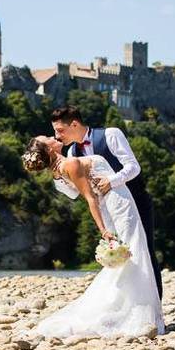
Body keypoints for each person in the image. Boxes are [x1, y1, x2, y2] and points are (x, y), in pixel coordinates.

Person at [22, 136, 164, 338]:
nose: (53, 136)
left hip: (112, 201)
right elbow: (89, 198)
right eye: (47, 138)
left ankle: (136, 310)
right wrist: (103, 230)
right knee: (136, 250)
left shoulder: (58, 172)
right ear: (49, 150)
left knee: (133, 253)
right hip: (117, 202)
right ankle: (137, 315)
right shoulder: (69, 163)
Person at [50, 105, 162, 299]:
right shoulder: (72, 154)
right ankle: (128, 305)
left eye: (60, 130)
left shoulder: (111, 134)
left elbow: (134, 167)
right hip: (108, 213)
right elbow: (74, 193)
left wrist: (112, 181)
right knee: (120, 257)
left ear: (74, 124)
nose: (57, 136)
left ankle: (154, 306)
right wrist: (56, 176)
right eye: (54, 132)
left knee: (145, 251)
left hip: (136, 200)